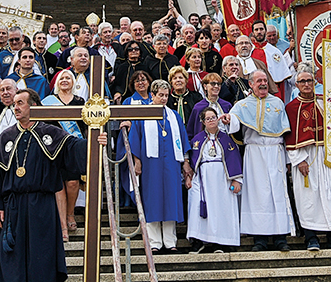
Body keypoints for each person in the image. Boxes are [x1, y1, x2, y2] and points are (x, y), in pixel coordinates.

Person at [0, 88, 95, 282]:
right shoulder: (6, 137)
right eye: (14, 103)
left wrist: (95, 139)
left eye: (21, 103)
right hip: (12, 207)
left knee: (40, 262)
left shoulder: (51, 134)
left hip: (43, 207)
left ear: (34, 106)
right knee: (10, 263)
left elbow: (75, 150)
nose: (16, 107)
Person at [285, 68, 331, 251]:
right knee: (308, 199)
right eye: (302, 81)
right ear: (296, 85)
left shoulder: (325, 102)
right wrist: (299, 160)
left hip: (328, 155)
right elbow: (289, 136)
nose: (306, 84)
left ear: (315, 82)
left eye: (310, 81)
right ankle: (311, 238)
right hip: (306, 157)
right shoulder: (291, 108)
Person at [229, 70, 295, 252]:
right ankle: (260, 239)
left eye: (265, 80)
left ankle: (281, 237)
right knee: (257, 196)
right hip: (255, 153)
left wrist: (288, 159)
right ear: (250, 84)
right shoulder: (242, 104)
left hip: (275, 152)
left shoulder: (277, 103)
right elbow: (234, 120)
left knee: (278, 193)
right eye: (259, 81)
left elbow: (285, 130)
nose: (263, 84)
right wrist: (229, 119)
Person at [126, 80, 191, 252]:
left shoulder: (174, 116)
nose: (163, 99)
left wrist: (185, 162)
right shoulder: (142, 114)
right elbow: (135, 137)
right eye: (160, 95)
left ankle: (170, 242)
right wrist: (137, 161)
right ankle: (154, 242)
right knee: (152, 199)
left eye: (166, 95)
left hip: (170, 163)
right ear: (152, 95)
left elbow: (182, 139)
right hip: (150, 164)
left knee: (171, 199)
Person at [187, 107, 243, 253]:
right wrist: (188, 177)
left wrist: (237, 180)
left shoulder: (227, 139)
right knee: (197, 208)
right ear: (203, 122)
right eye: (208, 118)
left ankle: (221, 243)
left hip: (222, 180)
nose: (211, 121)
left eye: (213, 117)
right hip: (203, 179)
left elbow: (234, 159)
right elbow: (191, 161)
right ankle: (198, 241)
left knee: (221, 209)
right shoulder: (197, 140)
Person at [43, 70, 89, 240]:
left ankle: (70, 213)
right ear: (56, 83)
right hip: (54, 147)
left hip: (73, 147)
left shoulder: (80, 101)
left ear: (73, 82)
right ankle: (63, 224)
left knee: (72, 182)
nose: (64, 80)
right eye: (61, 78)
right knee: (59, 185)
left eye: (68, 78)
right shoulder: (48, 102)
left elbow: (85, 126)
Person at [186, 73, 233, 142]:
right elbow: (191, 131)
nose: (216, 86)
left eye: (219, 84)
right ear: (205, 86)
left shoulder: (227, 105)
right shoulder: (198, 107)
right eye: (213, 84)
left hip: (224, 142)